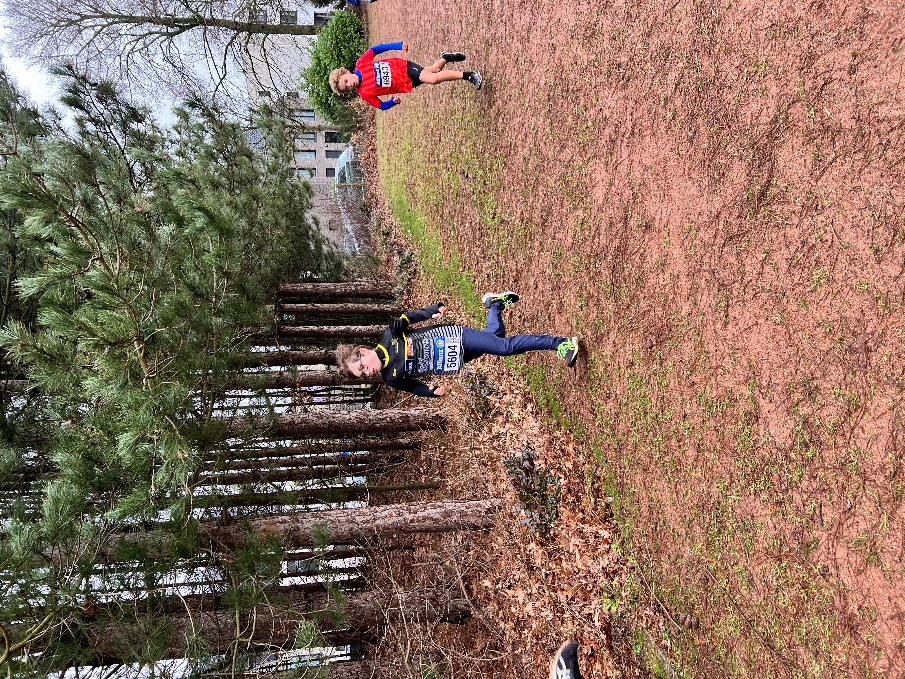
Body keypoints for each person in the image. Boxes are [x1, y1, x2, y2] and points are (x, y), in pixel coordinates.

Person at [335, 292, 579, 398]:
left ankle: (562, 344)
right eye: (363, 375)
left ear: (363, 352)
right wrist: (431, 392)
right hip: (455, 360)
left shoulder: (390, 336)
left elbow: (409, 317)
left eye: (363, 368)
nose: (368, 373)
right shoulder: (390, 378)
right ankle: (494, 304)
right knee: (495, 335)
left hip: (454, 336)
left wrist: (431, 311)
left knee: (504, 348)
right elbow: (414, 388)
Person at [328, 42, 482, 111]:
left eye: (346, 81)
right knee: (434, 70)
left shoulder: (361, 63)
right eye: (347, 88)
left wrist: (398, 45)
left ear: (346, 72)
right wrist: (392, 102)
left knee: (433, 79)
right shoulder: (365, 93)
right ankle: (447, 58)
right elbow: (381, 106)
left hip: (404, 67)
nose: (349, 85)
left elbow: (376, 49)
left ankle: (470, 75)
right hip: (405, 83)